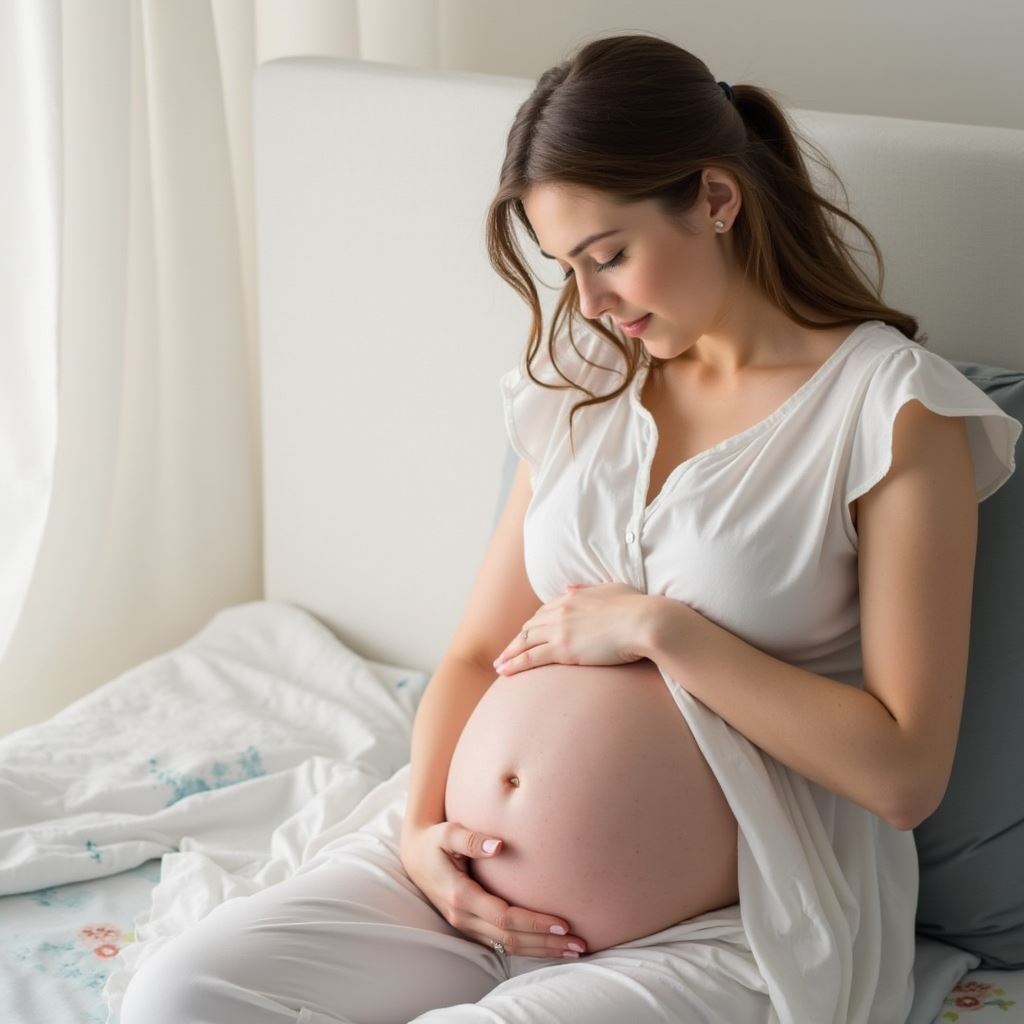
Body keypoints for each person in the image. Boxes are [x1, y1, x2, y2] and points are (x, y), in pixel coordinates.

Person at [116, 32, 1020, 1024]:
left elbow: (900, 773)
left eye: (609, 257)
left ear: (716, 199)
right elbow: (469, 653)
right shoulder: (586, 382)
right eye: (564, 269)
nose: (589, 303)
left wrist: (657, 629)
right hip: (454, 874)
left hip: (723, 919)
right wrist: (423, 832)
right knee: (180, 994)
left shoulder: (890, 410)